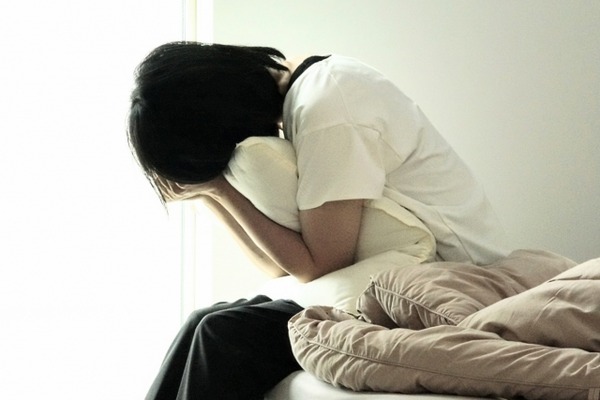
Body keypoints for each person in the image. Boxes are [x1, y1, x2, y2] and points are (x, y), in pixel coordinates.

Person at [127, 41, 509, 399]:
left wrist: (221, 189)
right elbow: (279, 268)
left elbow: (319, 264)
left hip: (451, 282)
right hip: (397, 274)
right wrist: (211, 193)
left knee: (222, 334)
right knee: (202, 320)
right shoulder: (308, 97)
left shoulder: (326, 107)